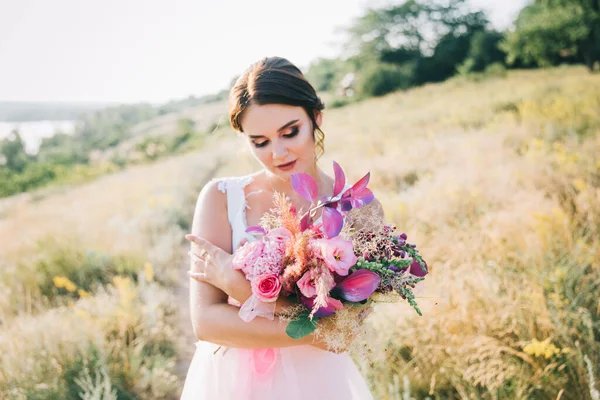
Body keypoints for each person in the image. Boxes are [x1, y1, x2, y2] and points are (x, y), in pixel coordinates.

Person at [180, 56, 378, 399]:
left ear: (315, 117)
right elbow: (206, 323)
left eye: (290, 132)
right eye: (260, 141)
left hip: (318, 381)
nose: (279, 152)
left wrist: (242, 291)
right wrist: (319, 330)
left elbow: (347, 332)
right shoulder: (220, 199)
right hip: (231, 382)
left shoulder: (361, 209)